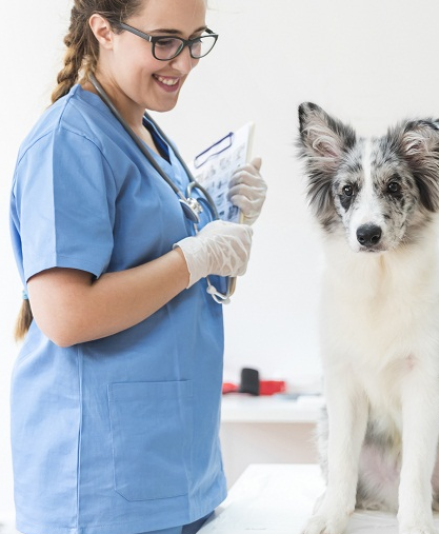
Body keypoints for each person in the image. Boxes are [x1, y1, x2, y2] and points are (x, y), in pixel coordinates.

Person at [9, 1, 267, 534]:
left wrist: (230, 232)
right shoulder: (69, 141)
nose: (186, 61)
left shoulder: (147, 135)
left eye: (197, 39)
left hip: (174, 469)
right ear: (103, 29)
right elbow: (65, 315)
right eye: (166, 39)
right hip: (104, 480)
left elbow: (182, 294)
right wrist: (194, 256)